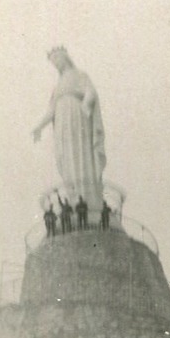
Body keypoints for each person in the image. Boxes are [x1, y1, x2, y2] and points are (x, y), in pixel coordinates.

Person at [32, 48, 106, 224]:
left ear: (65, 57)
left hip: (78, 118)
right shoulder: (57, 87)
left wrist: (86, 106)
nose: (56, 63)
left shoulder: (79, 75)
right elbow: (51, 110)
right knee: (67, 159)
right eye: (53, 61)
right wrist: (39, 127)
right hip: (63, 126)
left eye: (57, 58)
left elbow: (91, 92)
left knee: (82, 155)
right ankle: (73, 199)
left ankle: (90, 200)